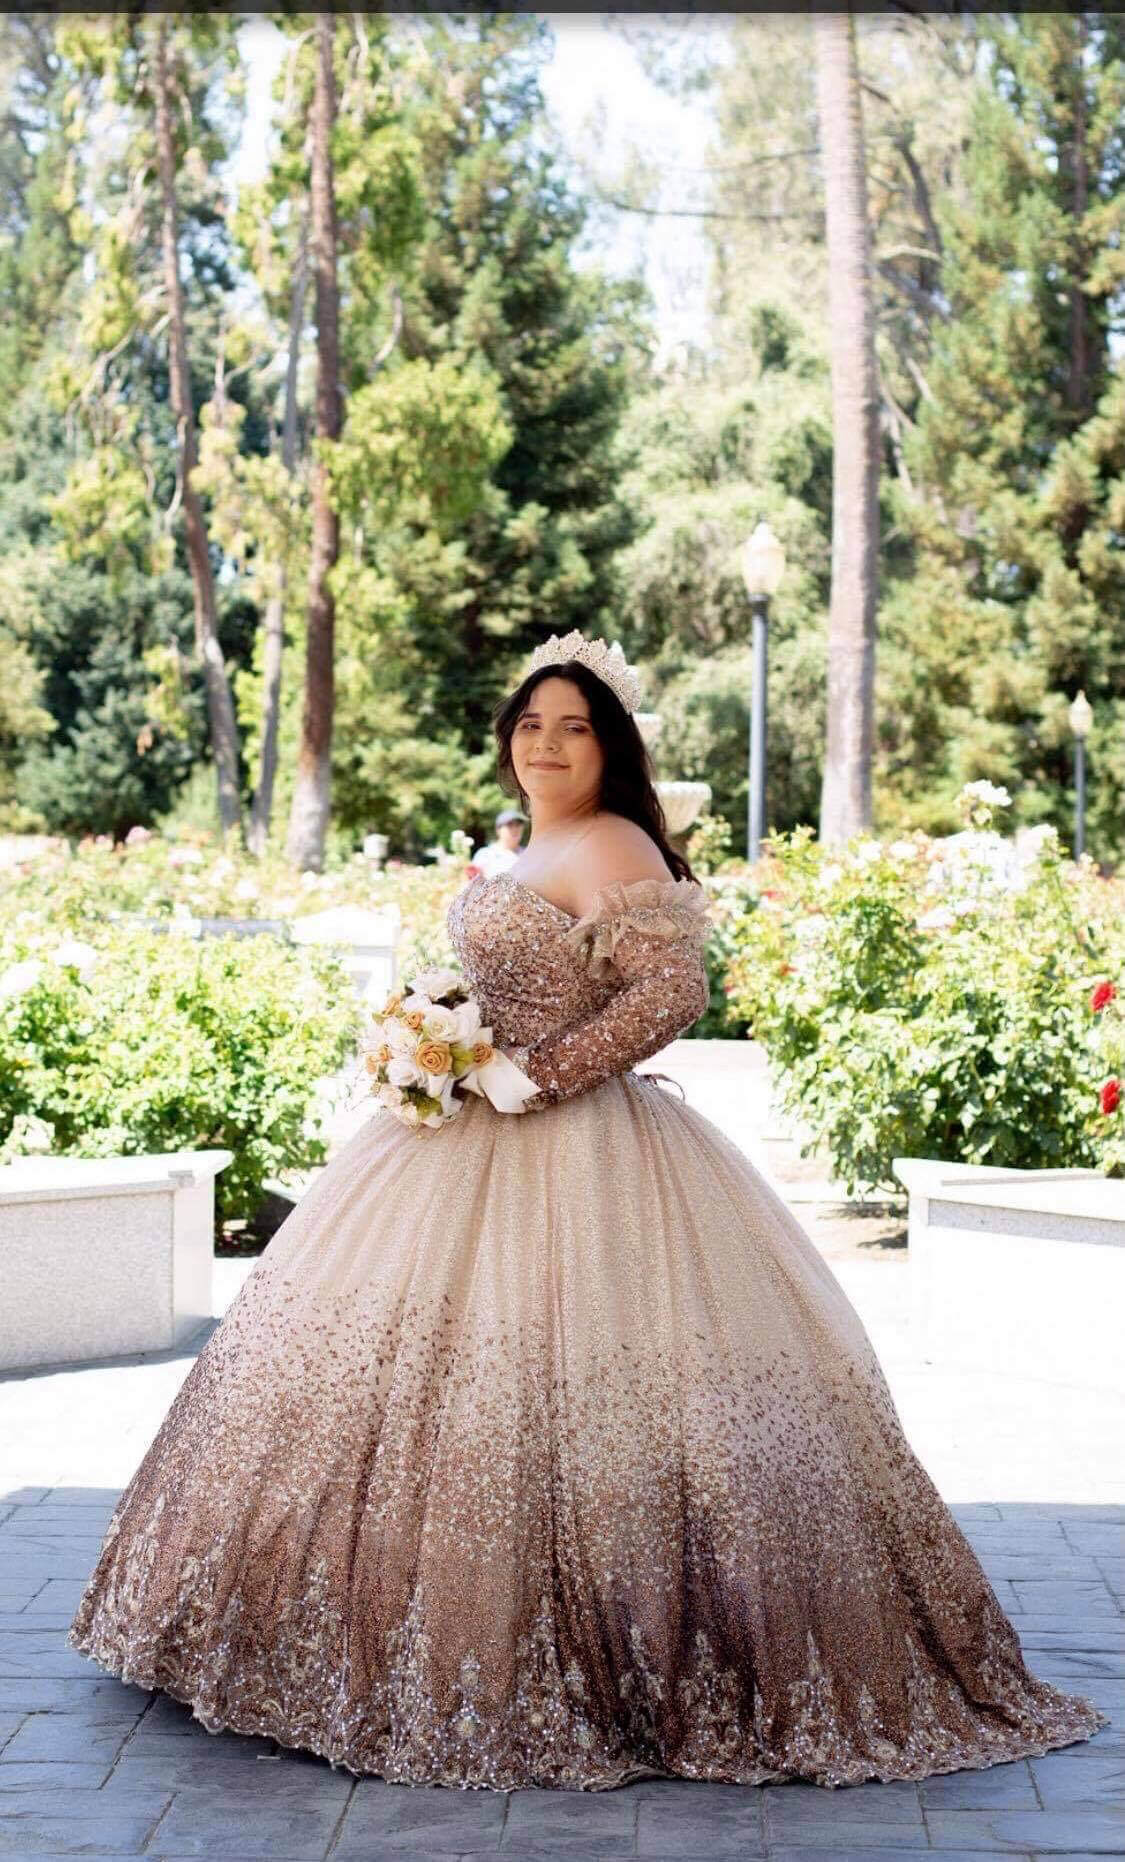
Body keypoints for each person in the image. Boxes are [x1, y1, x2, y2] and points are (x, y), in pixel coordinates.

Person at [67, 630, 1109, 1792]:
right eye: (530, 724)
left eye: (573, 725)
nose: (547, 743)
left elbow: (673, 989)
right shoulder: (535, 843)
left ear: (608, 745)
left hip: (580, 1147)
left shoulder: (612, 838)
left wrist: (537, 1072)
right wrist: (438, 1042)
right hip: (462, 1134)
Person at [470, 806, 527, 877]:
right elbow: (472, 883)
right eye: (510, 825)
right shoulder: (485, 855)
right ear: (498, 830)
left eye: (518, 825)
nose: (515, 829)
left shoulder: (528, 854)